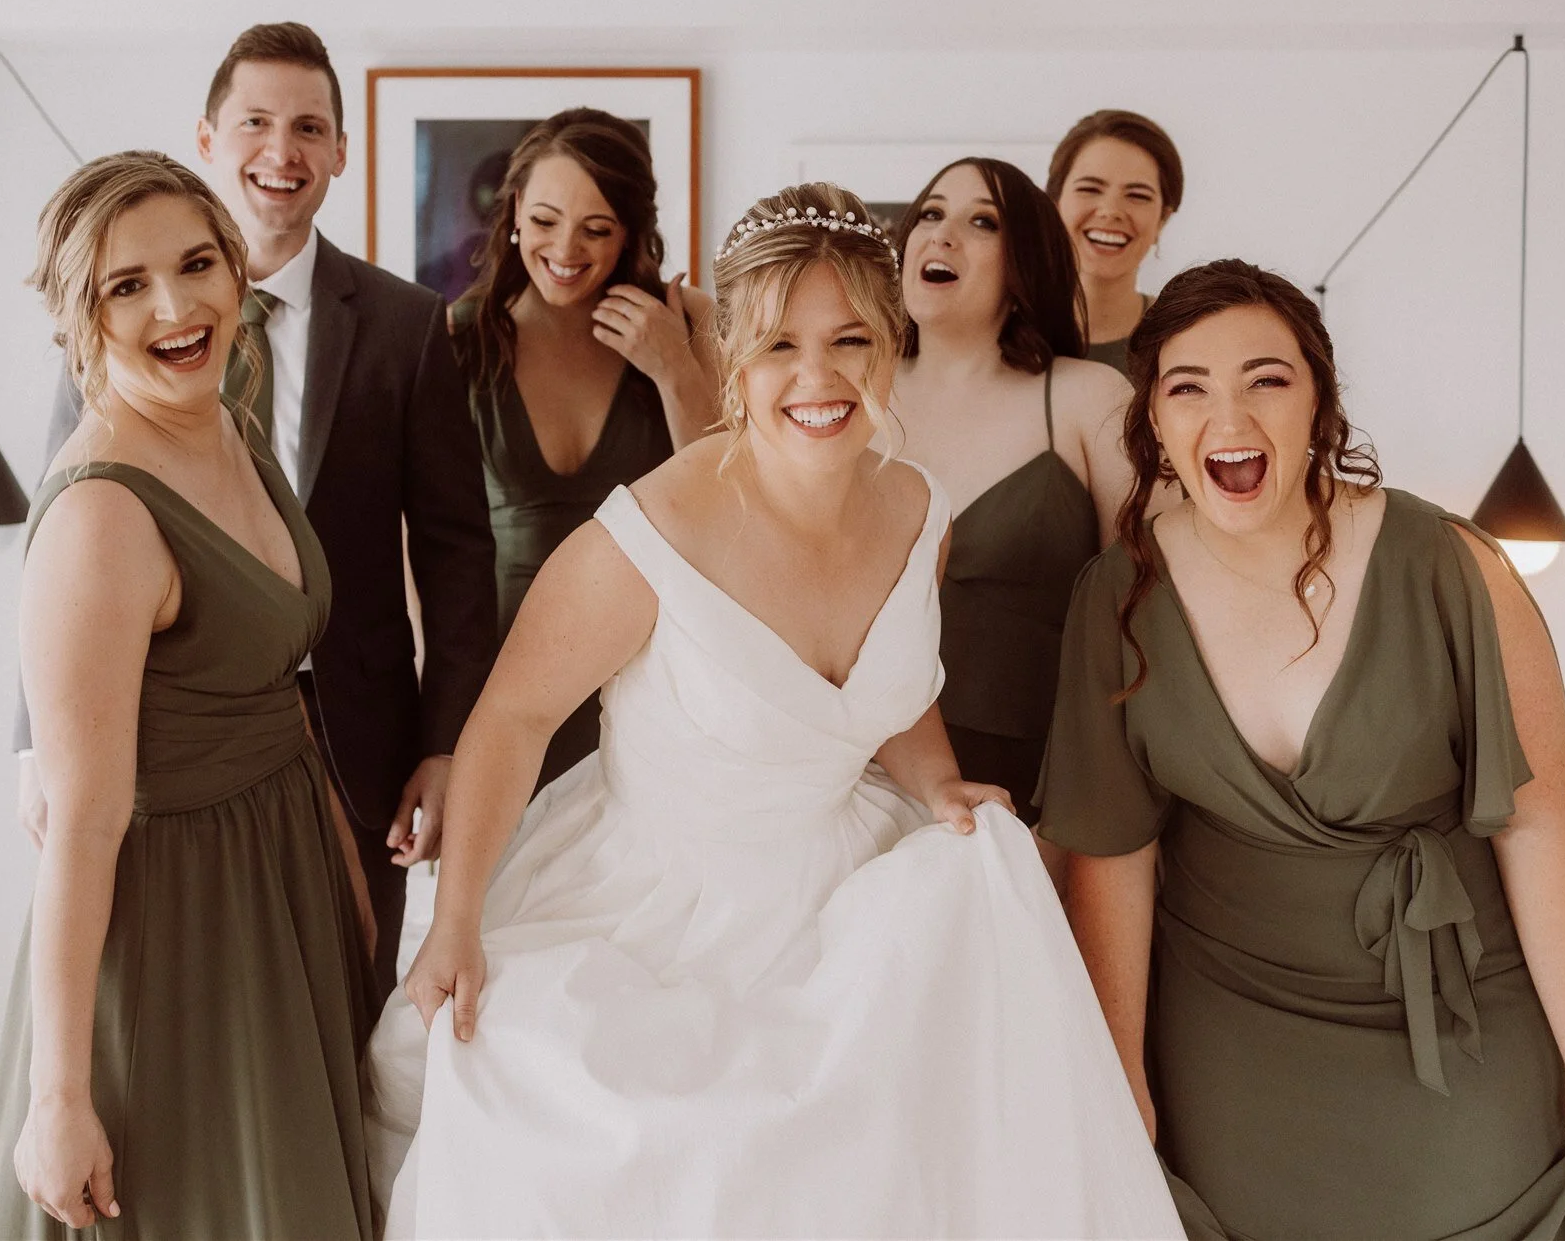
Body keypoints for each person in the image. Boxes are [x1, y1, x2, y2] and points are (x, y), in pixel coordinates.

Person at [365, 183, 1183, 1240]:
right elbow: (513, 720)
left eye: (849, 340)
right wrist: (457, 923)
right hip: (656, 911)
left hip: (850, 896)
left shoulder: (919, 507)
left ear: (888, 345)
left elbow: (895, 688)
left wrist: (937, 782)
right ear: (734, 361)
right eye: (778, 346)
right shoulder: (644, 536)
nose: (816, 377)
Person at [1037, 259, 1565, 1239]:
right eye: (1187, 387)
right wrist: (1121, 1080)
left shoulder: (1456, 567)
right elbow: (1112, 859)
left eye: (1266, 379)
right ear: (1152, 419)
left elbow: (1539, 831)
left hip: (1460, 1030)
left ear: (1319, 402)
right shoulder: (1115, 600)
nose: (1228, 417)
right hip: (1229, 1042)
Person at [15, 23, 497, 996]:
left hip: (357, 738)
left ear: (340, 152)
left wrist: (446, 742)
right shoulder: (113, 319)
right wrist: (33, 741)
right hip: (164, 740)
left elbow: (456, 551)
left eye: (309, 127)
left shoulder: (407, 325)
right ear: (207, 138)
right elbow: (58, 541)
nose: (282, 150)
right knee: (177, 998)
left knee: (349, 1010)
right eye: (255, 122)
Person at [0, 153, 375, 1237]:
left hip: (281, 875)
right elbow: (83, 827)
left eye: (197, 264)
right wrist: (59, 1099)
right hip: (176, 930)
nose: (176, 307)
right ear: (82, 317)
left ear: (237, 270)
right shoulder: (100, 519)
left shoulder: (228, 416)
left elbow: (282, 696)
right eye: (127, 285)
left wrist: (342, 878)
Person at [449, 108, 717, 788]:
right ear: (515, 211)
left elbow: (731, 501)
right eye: (545, 220)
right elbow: (418, 540)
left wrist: (674, 371)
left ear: (630, 231)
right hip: (497, 673)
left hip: (650, 675)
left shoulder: (690, 322)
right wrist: (437, 715)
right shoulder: (458, 338)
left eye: (596, 229)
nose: (565, 249)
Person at [891, 157, 1132, 840]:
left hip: (1034, 791)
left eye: (983, 222)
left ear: (1026, 262)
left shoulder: (1089, 398)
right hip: (857, 773)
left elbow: (1148, 608)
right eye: (930, 213)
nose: (942, 234)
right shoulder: (844, 395)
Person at [1046, 110, 1182, 381]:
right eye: (1089, 189)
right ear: (1054, 204)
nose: (1110, 211)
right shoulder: (994, 332)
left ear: (1162, 219)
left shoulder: (1185, 335)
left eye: (1137, 195)